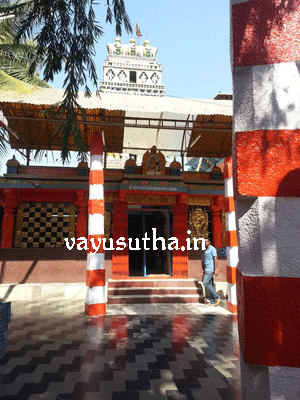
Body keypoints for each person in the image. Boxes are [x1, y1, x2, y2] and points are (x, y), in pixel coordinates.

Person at [202, 238, 221, 306]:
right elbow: (205, 260)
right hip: (207, 269)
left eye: (206, 241)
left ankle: (217, 297)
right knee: (211, 285)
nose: (205, 243)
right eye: (203, 242)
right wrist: (203, 269)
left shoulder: (212, 249)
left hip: (210, 269)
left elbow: (215, 259)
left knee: (205, 283)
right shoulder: (205, 249)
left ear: (209, 242)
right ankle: (212, 301)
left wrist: (216, 269)